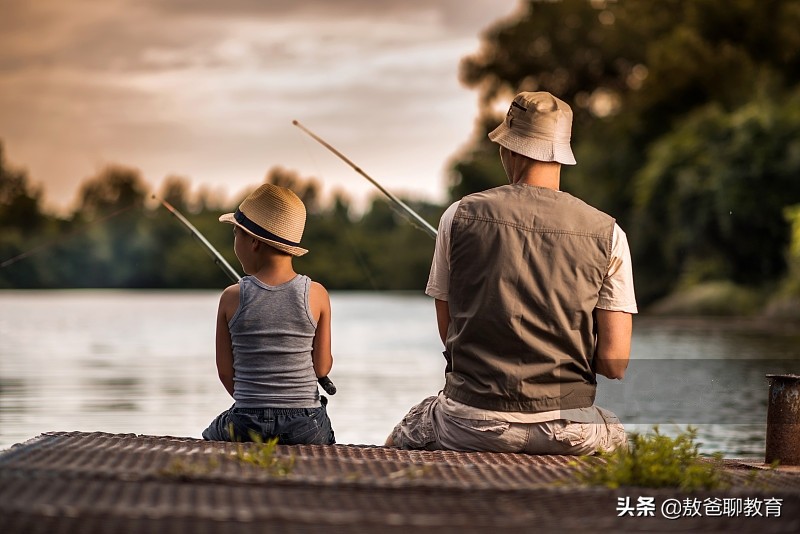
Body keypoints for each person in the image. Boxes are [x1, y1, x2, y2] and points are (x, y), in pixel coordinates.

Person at [386, 91, 637, 454]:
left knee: (398, 438)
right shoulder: (609, 233)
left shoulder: (457, 216)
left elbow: (449, 333)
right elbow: (614, 363)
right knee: (622, 444)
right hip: (570, 430)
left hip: (469, 422)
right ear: (561, 155)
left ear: (510, 148)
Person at [203, 183, 335, 444]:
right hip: (305, 423)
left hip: (246, 420)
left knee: (211, 434)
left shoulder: (231, 297)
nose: (234, 242)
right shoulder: (317, 294)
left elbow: (225, 373)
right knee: (322, 432)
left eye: (235, 234)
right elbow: (321, 367)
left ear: (253, 241)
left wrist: (255, 405)